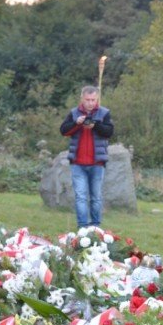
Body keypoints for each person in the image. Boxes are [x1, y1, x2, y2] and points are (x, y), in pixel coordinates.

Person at [60, 85, 114, 228]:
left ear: (97, 99)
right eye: (88, 100)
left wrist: (95, 125)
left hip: (97, 163)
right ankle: (82, 227)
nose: (91, 103)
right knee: (81, 197)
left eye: (93, 100)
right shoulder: (74, 113)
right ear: (82, 99)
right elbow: (64, 131)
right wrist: (76, 124)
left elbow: (109, 132)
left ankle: (95, 226)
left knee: (96, 197)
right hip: (77, 163)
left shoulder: (104, 113)